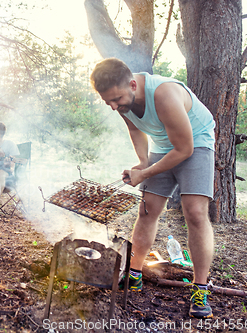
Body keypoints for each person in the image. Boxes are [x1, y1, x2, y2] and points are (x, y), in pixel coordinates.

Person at [90, 58, 215, 319]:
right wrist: (143, 162)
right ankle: (134, 274)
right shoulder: (123, 100)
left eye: (117, 99)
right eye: (108, 102)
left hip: (196, 143)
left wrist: (145, 174)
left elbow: (184, 149)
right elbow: (136, 130)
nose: (114, 107)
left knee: (194, 213)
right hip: (164, 146)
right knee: (147, 210)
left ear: (133, 84)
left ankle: (200, 288)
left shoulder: (164, 94)